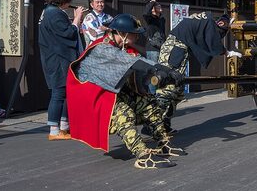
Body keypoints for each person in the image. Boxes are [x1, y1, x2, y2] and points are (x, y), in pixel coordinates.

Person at [67, 13, 183, 170]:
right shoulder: (102, 48)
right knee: (124, 113)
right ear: (122, 33)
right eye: (134, 34)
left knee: (149, 104)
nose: (137, 38)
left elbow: (136, 67)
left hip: (112, 95)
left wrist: (166, 73)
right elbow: (130, 62)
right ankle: (142, 154)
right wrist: (159, 68)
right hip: (96, 102)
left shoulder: (121, 47)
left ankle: (164, 143)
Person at [155, 10, 236, 131]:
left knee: (178, 90)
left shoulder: (205, 20)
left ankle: (164, 123)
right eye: (222, 33)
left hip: (177, 48)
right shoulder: (209, 23)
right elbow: (212, 42)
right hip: (175, 49)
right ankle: (152, 124)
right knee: (168, 87)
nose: (220, 35)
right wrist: (227, 52)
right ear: (220, 24)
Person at [38, 0, 84, 140]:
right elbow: (68, 33)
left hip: (57, 57)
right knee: (58, 93)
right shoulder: (54, 13)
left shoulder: (49, 12)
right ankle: (53, 130)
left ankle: (64, 126)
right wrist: (77, 19)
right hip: (58, 58)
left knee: (66, 92)